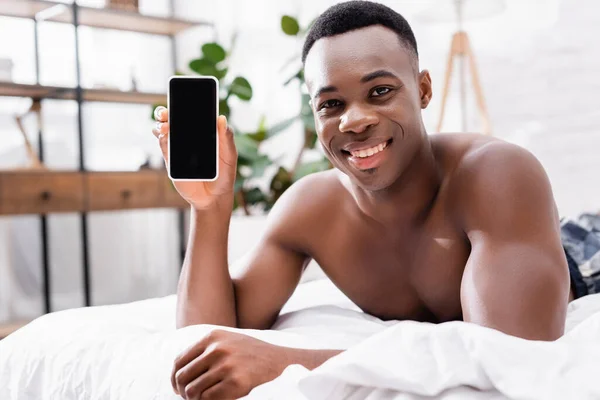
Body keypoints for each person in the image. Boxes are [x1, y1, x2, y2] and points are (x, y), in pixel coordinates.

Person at [151, 1, 586, 399]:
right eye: (331, 104)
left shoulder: (497, 174)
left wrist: (286, 362)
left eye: (380, 91)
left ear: (423, 90)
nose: (354, 121)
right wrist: (209, 209)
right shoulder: (309, 209)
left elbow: (511, 355)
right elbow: (206, 340)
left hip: (585, 252)